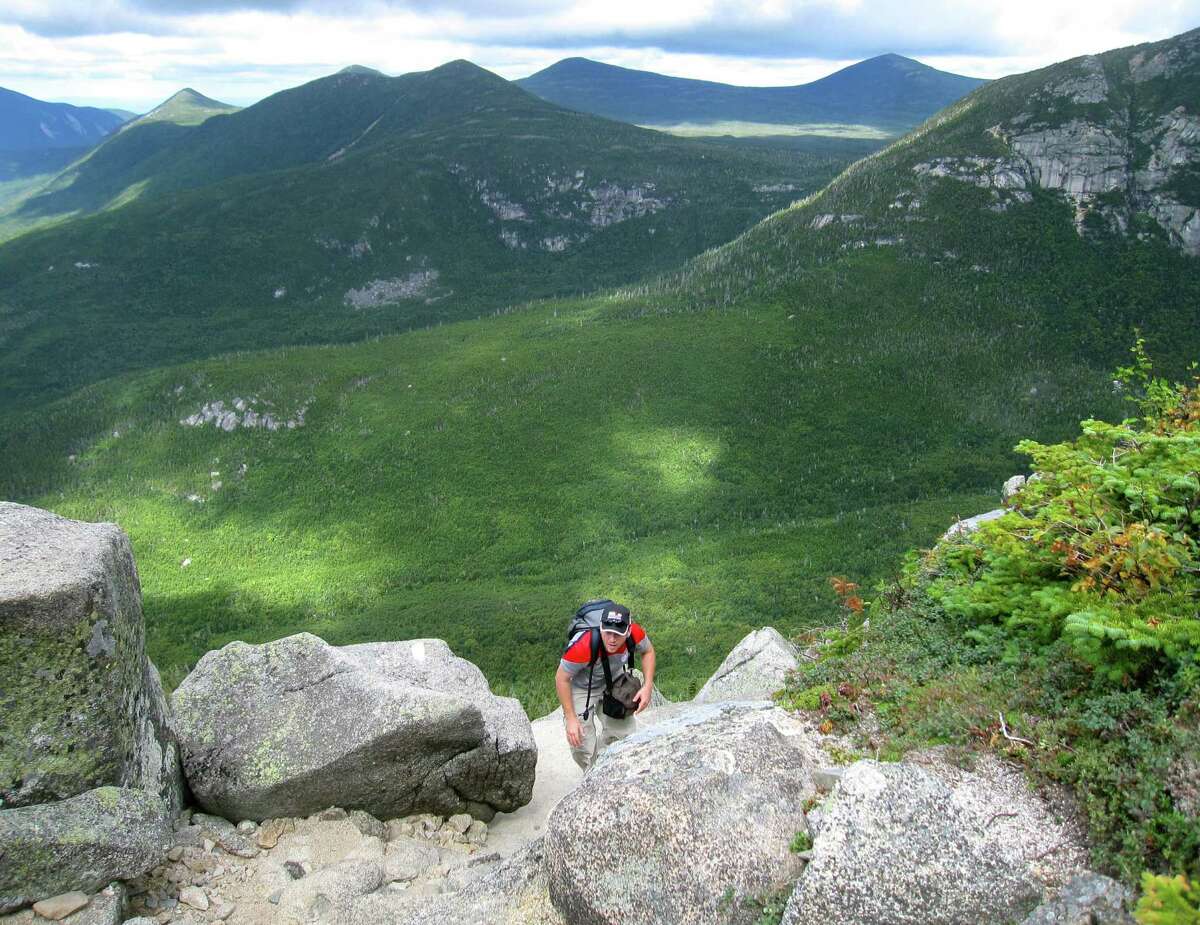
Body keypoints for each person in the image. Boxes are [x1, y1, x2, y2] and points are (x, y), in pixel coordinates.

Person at [555, 602, 656, 771]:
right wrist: (571, 718)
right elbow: (561, 678)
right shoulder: (584, 645)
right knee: (582, 744)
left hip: (613, 679)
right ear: (601, 627)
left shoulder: (635, 634)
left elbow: (648, 651)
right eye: (607, 632)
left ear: (628, 631)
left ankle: (610, 762)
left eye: (618, 634)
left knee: (624, 734)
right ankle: (592, 774)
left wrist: (647, 686)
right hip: (582, 687)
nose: (612, 639)